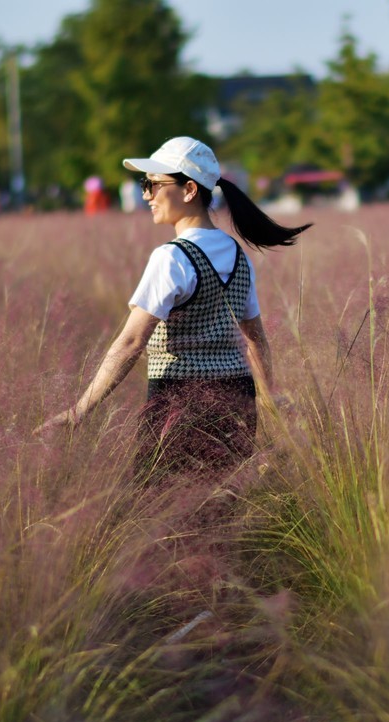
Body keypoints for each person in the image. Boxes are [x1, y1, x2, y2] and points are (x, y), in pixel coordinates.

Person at [35, 136, 310, 479]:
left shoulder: (171, 258)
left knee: (166, 516)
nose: (146, 195)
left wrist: (79, 411)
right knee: (222, 508)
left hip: (180, 403)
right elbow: (255, 340)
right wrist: (266, 400)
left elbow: (131, 342)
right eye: (144, 185)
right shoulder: (239, 256)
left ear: (190, 190)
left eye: (153, 184)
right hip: (237, 400)